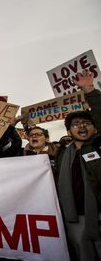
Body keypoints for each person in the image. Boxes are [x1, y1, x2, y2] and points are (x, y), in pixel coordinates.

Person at [55, 70, 101, 261]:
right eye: (75, 124)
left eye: (85, 123)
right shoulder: (63, 153)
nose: (81, 126)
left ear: (95, 127)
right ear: (68, 130)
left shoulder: (98, 145)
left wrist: (89, 90)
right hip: (74, 216)